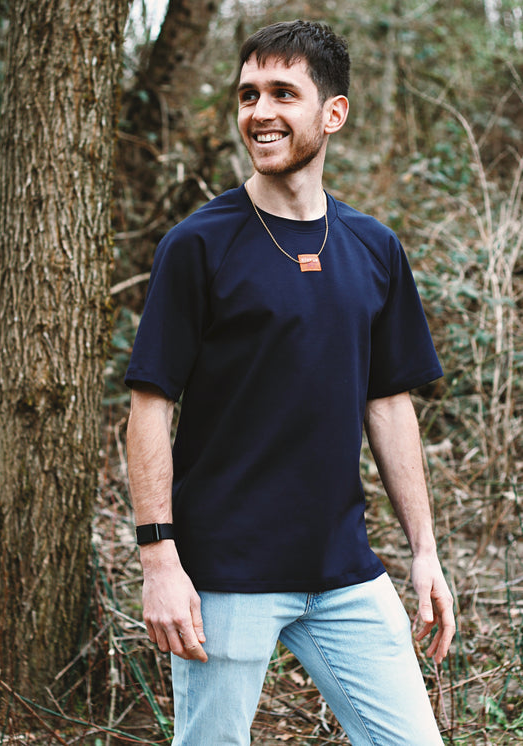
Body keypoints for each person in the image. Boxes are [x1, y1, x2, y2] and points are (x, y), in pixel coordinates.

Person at [125, 19, 455, 746]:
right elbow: (148, 407)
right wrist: (159, 561)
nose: (259, 112)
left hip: (345, 571)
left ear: (332, 113)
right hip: (225, 574)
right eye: (247, 94)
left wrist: (424, 550)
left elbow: (389, 403)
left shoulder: (372, 247)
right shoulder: (198, 246)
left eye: (282, 92)